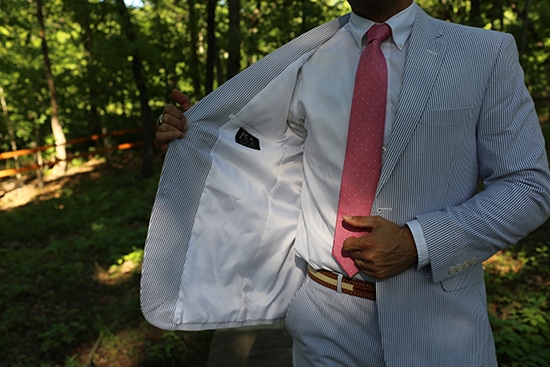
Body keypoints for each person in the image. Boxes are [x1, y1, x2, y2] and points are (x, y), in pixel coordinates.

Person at [142, 1, 550, 366]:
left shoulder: (484, 53)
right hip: (323, 319)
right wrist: (195, 141)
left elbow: (528, 186)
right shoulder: (304, 58)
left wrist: (416, 243)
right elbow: (263, 159)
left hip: (439, 325)